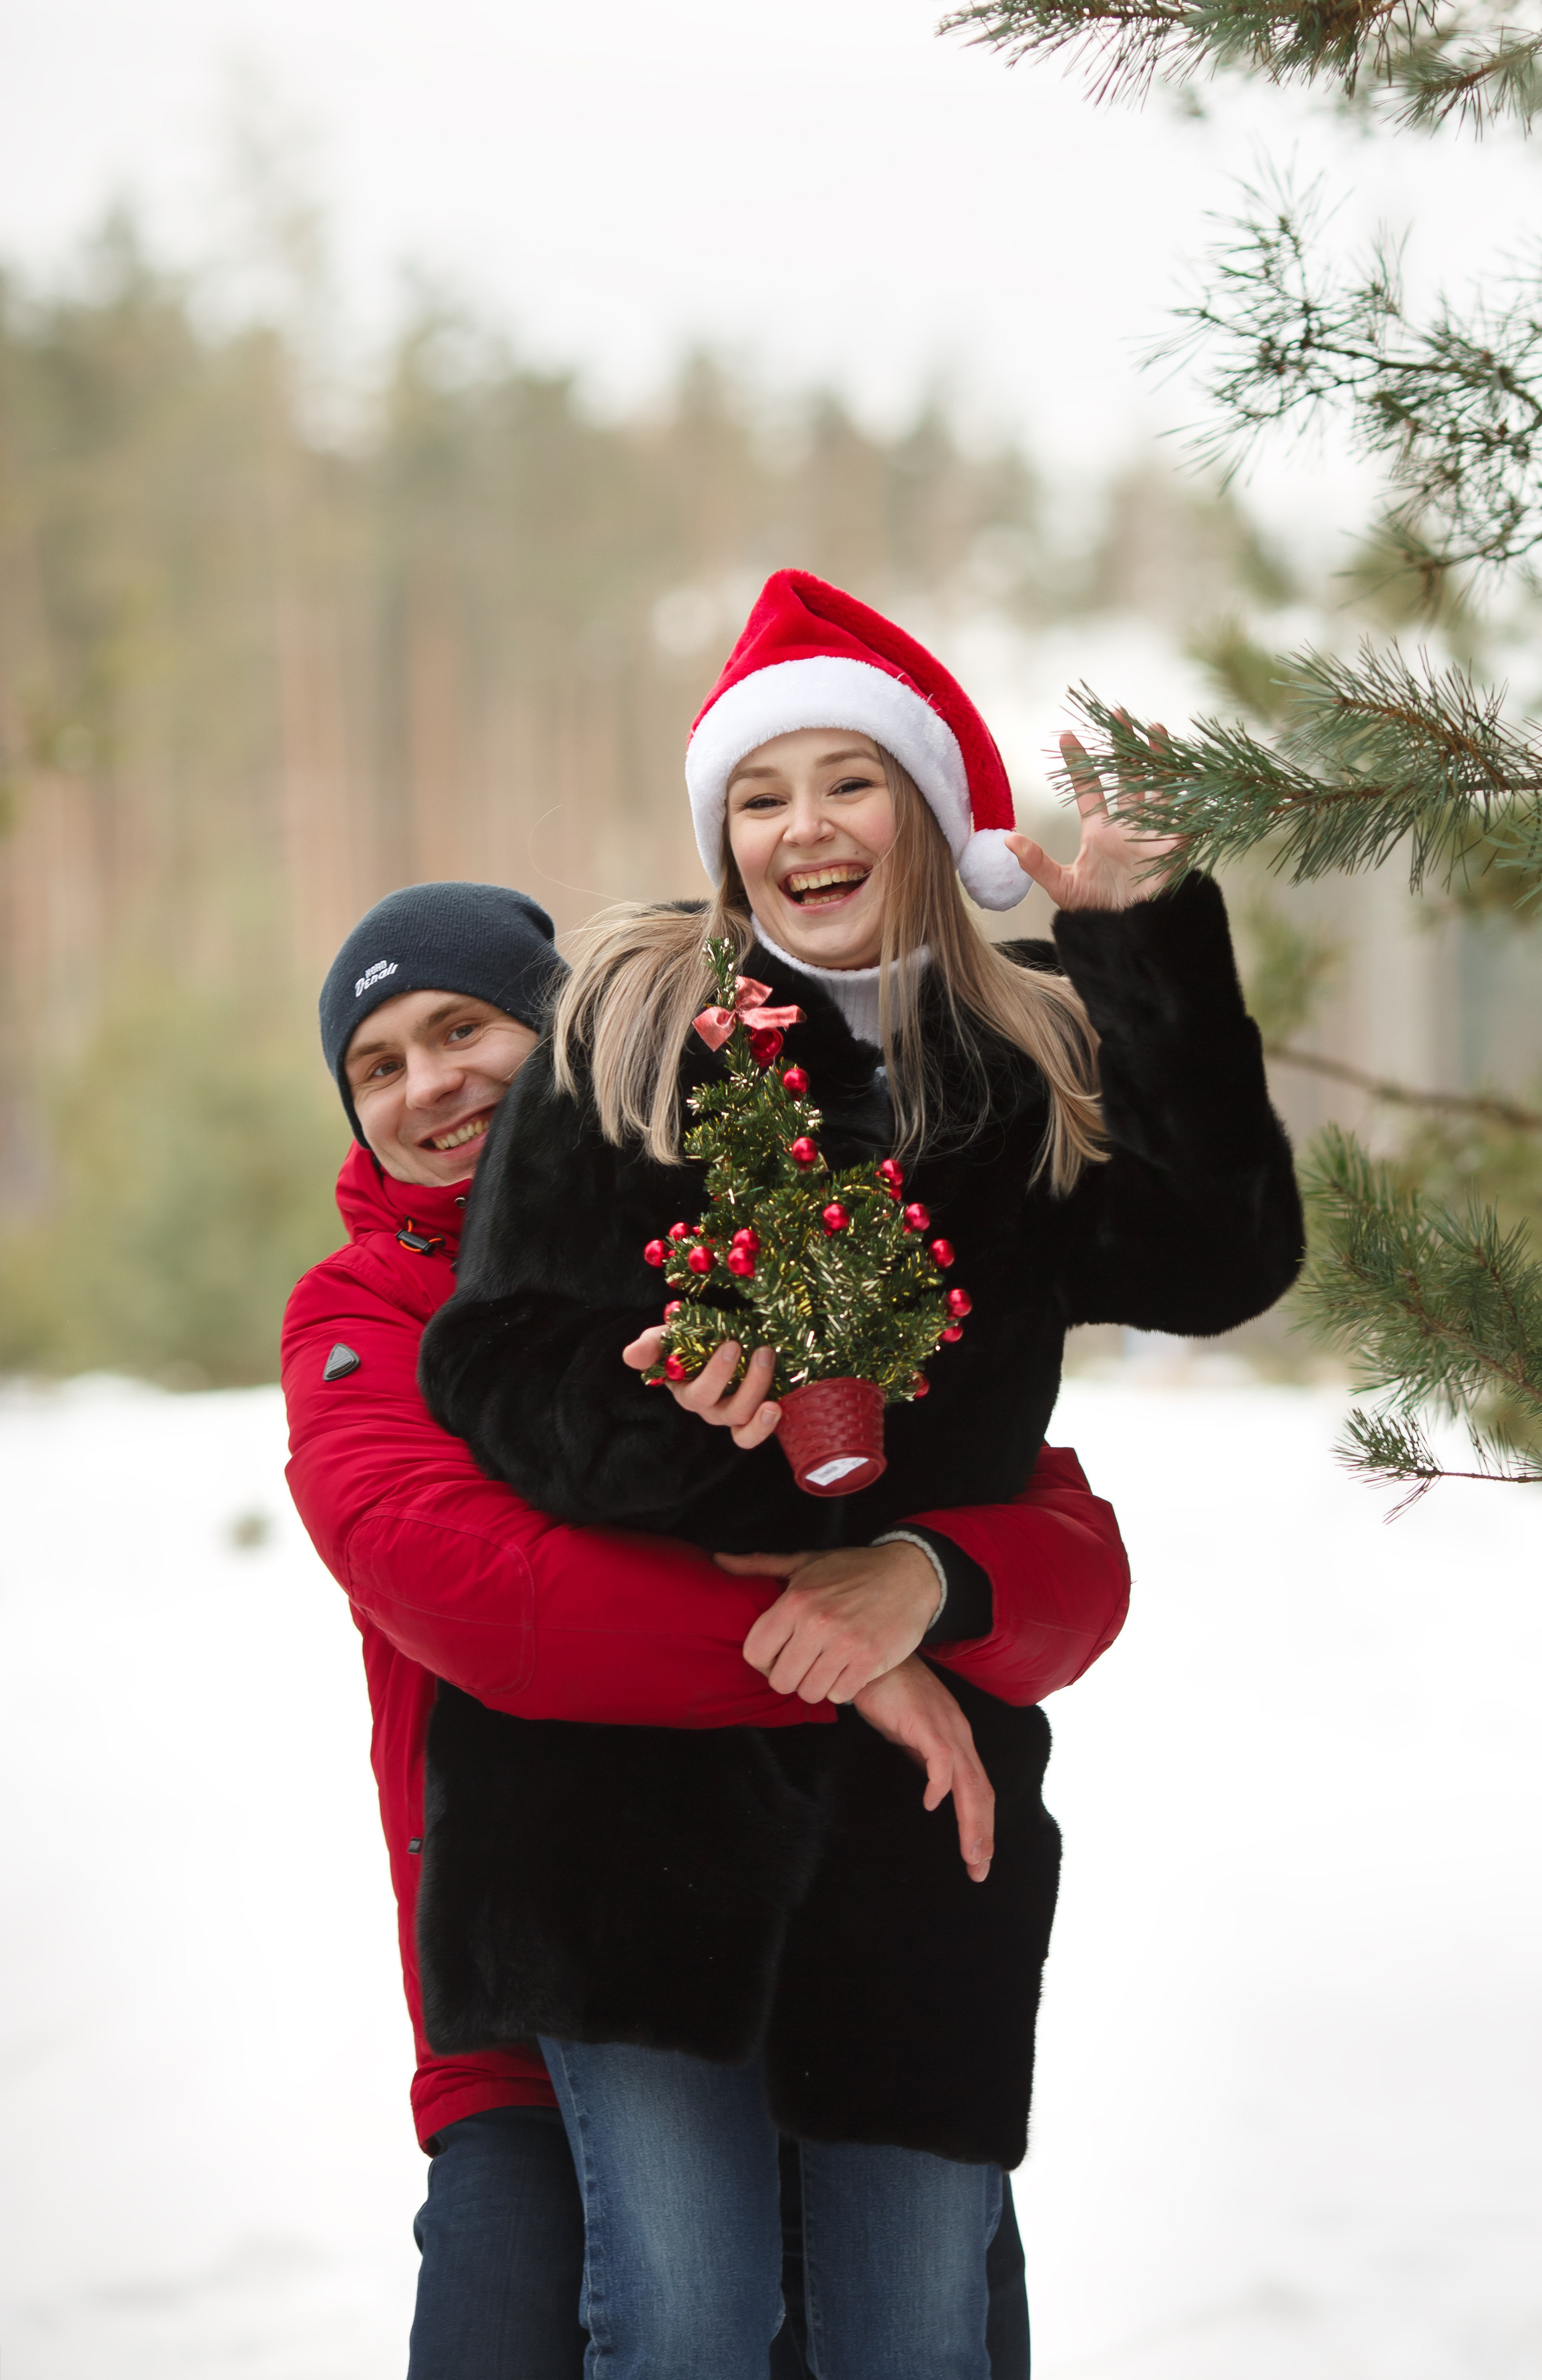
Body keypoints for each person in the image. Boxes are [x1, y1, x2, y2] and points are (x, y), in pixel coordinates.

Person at [418, 570, 1305, 2379]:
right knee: (685, 2323)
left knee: (913, 2337)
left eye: (847, 781)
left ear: (921, 808)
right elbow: (493, 1362)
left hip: (924, 1823)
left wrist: (1157, 960)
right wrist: (686, 1417)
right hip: (624, 1817)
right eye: (761, 794)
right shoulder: (633, 1027)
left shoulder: (1038, 1050)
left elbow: (1220, 1272)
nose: (803, 826)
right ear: (724, 838)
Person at [280, 877, 1136, 2379]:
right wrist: (845, 1664)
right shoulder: (362, 1317)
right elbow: (482, 1596)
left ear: (567, 1033)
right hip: (550, 1991)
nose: (430, 1084)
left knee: (915, 2328)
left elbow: (1057, 1533)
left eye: (467, 1028)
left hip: (855, 1940)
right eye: (378, 1064)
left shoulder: (766, 1231)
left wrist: (925, 1582)